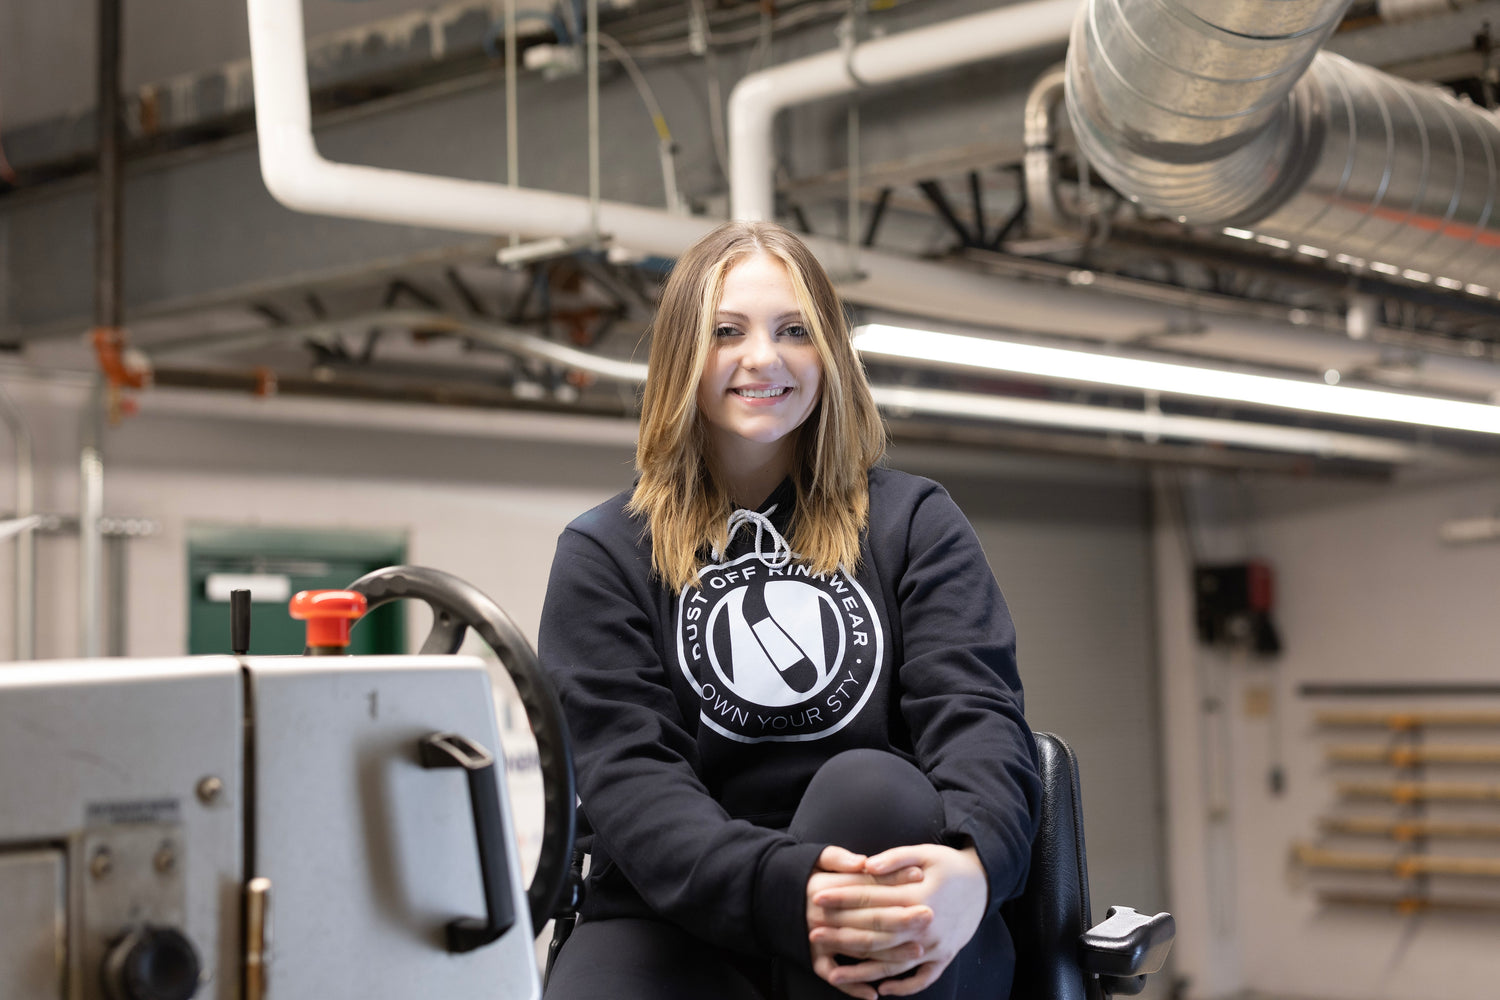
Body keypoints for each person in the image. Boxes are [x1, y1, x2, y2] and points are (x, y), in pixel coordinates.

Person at [539, 221, 1040, 1000]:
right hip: (681, 917)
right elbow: (631, 779)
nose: (763, 357)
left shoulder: (913, 523)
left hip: (885, 882)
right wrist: (786, 887)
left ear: (830, 355)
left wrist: (974, 869)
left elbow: (978, 718)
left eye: (794, 330)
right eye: (726, 331)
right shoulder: (604, 552)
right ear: (681, 357)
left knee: (870, 790)